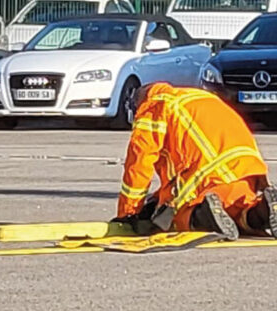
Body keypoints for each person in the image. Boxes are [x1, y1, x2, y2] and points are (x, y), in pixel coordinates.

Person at [115, 83, 277, 238]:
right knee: (239, 212)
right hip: (248, 176)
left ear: (138, 103)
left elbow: (139, 164)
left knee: (179, 217)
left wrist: (128, 213)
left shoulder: (154, 106)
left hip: (211, 180)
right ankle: (261, 212)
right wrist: (157, 199)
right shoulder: (200, 97)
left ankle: (202, 217)